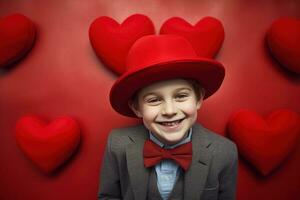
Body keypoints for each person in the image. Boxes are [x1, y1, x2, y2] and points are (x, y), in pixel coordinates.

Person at [98, 34, 238, 200]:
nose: (169, 110)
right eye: (154, 100)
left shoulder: (225, 152)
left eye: (181, 96)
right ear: (137, 108)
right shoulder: (117, 144)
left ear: (199, 99)